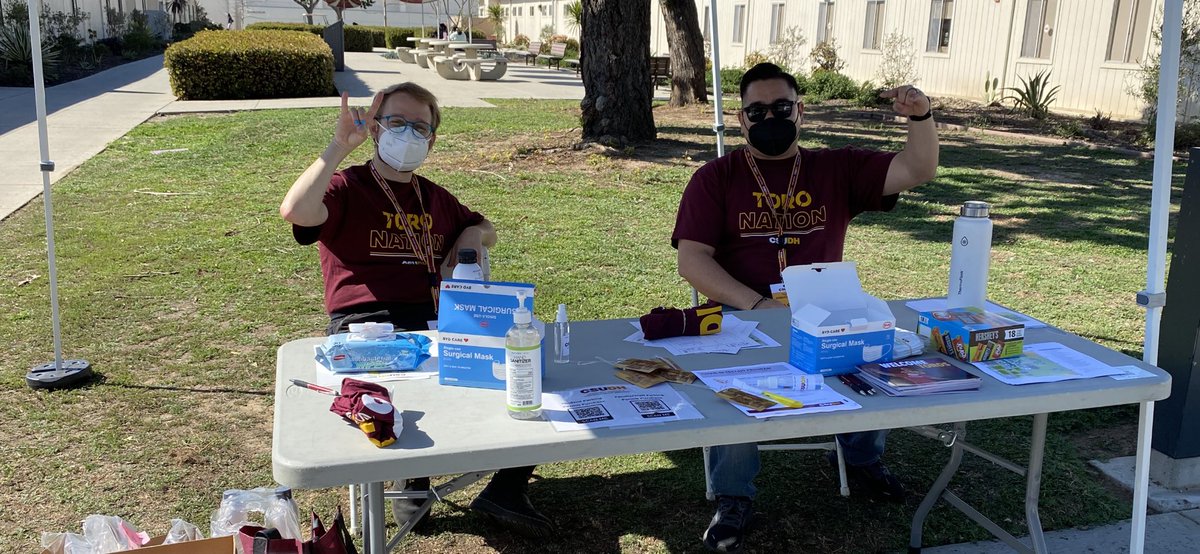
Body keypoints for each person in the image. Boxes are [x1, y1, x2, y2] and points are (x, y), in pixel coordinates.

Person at [671, 63, 939, 553]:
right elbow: (693, 261)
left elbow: (917, 169)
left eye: (780, 107)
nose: (769, 118)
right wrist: (757, 305)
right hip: (741, 318)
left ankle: (861, 458)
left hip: (825, 316)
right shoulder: (716, 178)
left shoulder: (836, 168)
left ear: (800, 110)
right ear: (741, 118)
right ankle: (733, 495)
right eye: (757, 111)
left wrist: (920, 116)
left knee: (870, 358)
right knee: (734, 389)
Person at [279, 83, 556, 538]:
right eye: (396, 122)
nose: (407, 133)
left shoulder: (434, 197)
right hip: (366, 327)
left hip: (436, 320)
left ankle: (505, 488)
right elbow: (296, 211)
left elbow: (484, 226)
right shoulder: (347, 187)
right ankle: (412, 477)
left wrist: (472, 236)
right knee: (407, 397)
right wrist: (338, 147)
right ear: (375, 128)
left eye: (420, 127)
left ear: (432, 139)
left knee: (524, 371)